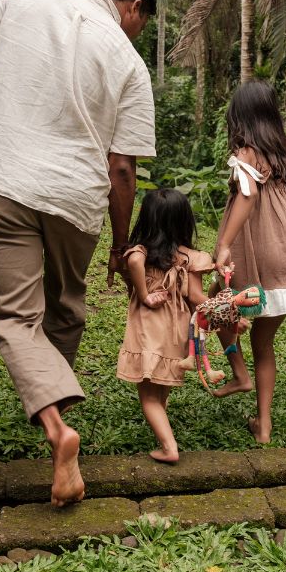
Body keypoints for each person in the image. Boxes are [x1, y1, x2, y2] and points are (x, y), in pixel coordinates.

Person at [0, 0, 157, 507]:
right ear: (134, 9)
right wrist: (121, 244)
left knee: (15, 317)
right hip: (74, 199)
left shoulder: (24, 1)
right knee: (66, 310)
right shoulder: (130, 61)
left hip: (3, 178)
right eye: (141, 24)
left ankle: (55, 427)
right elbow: (121, 168)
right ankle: (54, 416)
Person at [212, 80, 286, 443]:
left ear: (239, 117)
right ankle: (263, 426)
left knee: (214, 308)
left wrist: (224, 245)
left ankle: (239, 374)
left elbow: (246, 196)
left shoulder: (245, 153)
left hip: (255, 250)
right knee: (264, 344)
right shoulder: (280, 155)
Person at [117, 188, 226, 464]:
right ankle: (161, 430)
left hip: (149, 330)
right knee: (160, 387)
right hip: (177, 331)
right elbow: (197, 299)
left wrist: (143, 294)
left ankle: (169, 447)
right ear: (184, 221)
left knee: (148, 396)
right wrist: (224, 303)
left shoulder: (142, 252)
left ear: (147, 220)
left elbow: (133, 260)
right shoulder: (190, 258)